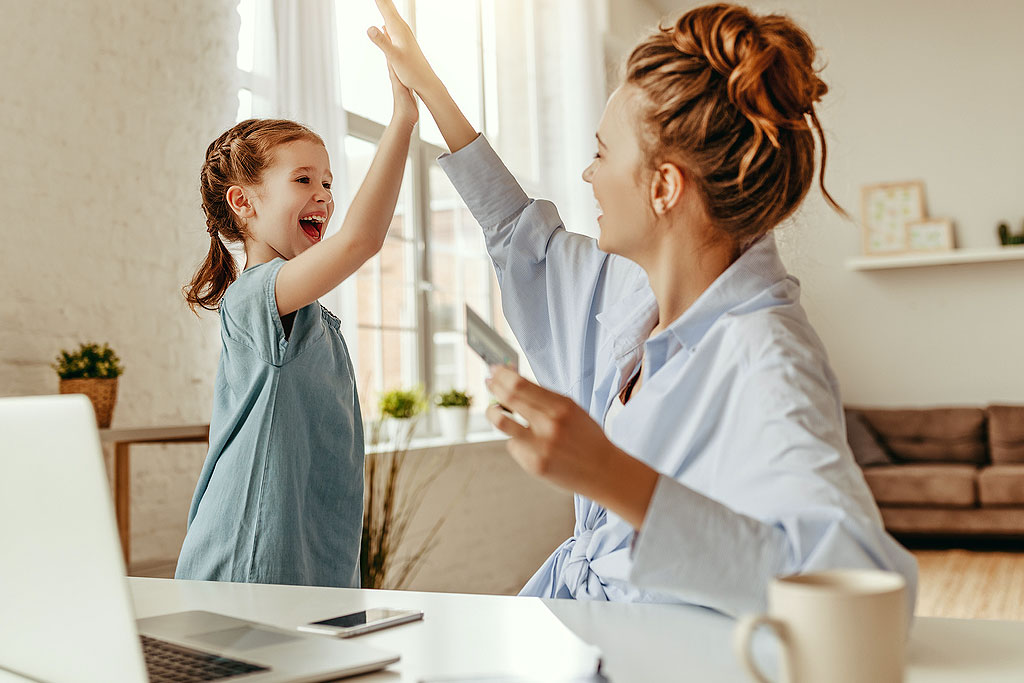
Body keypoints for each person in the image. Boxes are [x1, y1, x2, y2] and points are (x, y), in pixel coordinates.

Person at [368, 0, 918, 616]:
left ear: (663, 186)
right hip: (592, 631)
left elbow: (855, 586)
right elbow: (521, 234)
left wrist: (606, 472)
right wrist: (431, 88)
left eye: (602, 152)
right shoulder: (632, 291)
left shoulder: (767, 357)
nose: (586, 173)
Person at [174, 64, 418, 587]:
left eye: (328, 181)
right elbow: (360, 240)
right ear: (244, 202)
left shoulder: (312, 317)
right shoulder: (254, 297)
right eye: (303, 179)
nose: (325, 194)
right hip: (251, 556)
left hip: (310, 561)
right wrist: (402, 119)